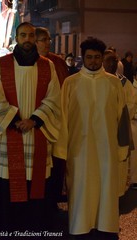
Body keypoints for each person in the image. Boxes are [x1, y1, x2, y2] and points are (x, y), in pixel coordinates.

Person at [0, 22, 62, 232]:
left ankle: (36, 228)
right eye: (23, 35)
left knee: (37, 185)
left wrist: (34, 120)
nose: (28, 39)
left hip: (36, 131)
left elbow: (53, 98)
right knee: (9, 182)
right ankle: (8, 229)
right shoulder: (1, 64)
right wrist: (15, 120)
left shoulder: (47, 65)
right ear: (16, 37)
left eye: (31, 35)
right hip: (11, 131)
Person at [56, 37, 129, 239]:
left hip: (107, 150)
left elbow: (122, 119)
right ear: (83, 58)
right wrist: (61, 151)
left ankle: (105, 227)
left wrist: (122, 149)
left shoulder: (113, 83)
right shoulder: (71, 83)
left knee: (106, 191)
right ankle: (79, 227)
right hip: (79, 150)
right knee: (80, 191)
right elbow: (62, 117)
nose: (94, 62)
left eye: (97, 57)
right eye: (89, 57)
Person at [35, 26, 69, 205]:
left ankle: (54, 197)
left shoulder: (58, 62)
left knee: (57, 160)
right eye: (44, 39)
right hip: (37, 118)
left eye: (49, 39)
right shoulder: (29, 62)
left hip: (58, 117)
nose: (49, 42)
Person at [103, 52, 137, 196]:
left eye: (114, 61)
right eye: (108, 60)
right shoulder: (96, 80)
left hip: (120, 127)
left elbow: (132, 102)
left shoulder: (124, 82)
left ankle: (119, 188)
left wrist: (118, 118)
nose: (112, 64)